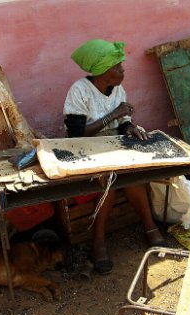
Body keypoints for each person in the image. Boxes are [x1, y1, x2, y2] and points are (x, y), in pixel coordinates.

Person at [63, 39, 166, 275]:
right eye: (117, 67)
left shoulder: (118, 89)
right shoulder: (79, 90)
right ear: (102, 71)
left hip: (113, 146)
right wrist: (114, 115)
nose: (123, 70)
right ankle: (98, 242)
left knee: (132, 177)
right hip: (85, 150)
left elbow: (122, 123)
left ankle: (150, 228)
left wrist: (130, 127)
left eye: (121, 66)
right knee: (109, 182)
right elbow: (76, 134)